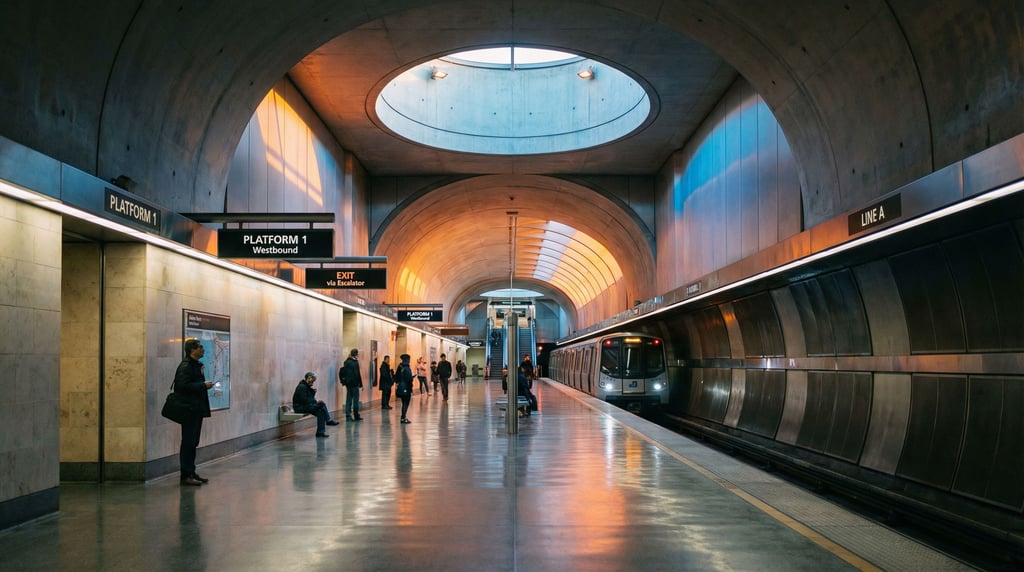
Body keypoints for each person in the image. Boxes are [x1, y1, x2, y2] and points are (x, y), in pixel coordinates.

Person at [174, 338, 213, 486]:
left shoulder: (196, 365)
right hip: (189, 410)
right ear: (192, 350)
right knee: (188, 442)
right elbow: (181, 386)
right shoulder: (186, 366)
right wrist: (202, 385)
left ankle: (191, 472)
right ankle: (186, 475)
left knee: (193, 442)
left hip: (196, 409)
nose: (203, 349)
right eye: (200, 347)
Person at [292, 371, 339, 437]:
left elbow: (309, 399)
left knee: (320, 411)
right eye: (312, 381)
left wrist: (313, 393)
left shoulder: (306, 386)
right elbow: (304, 400)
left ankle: (320, 432)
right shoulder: (302, 387)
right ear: (308, 378)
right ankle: (328, 420)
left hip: (305, 406)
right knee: (321, 405)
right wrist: (316, 402)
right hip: (300, 407)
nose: (313, 383)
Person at [339, 348, 363, 421]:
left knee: (349, 399)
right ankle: (355, 415)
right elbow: (357, 374)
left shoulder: (347, 362)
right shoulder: (354, 362)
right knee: (355, 400)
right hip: (354, 384)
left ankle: (348, 415)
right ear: (356, 354)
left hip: (349, 384)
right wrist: (360, 384)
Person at [395, 354, 414, 423]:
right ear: (407, 360)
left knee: (403, 402)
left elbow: (396, 377)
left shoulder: (400, 367)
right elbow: (409, 379)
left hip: (401, 387)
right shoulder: (407, 368)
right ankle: (403, 418)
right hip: (406, 387)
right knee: (406, 403)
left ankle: (403, 417)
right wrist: (412, 377)